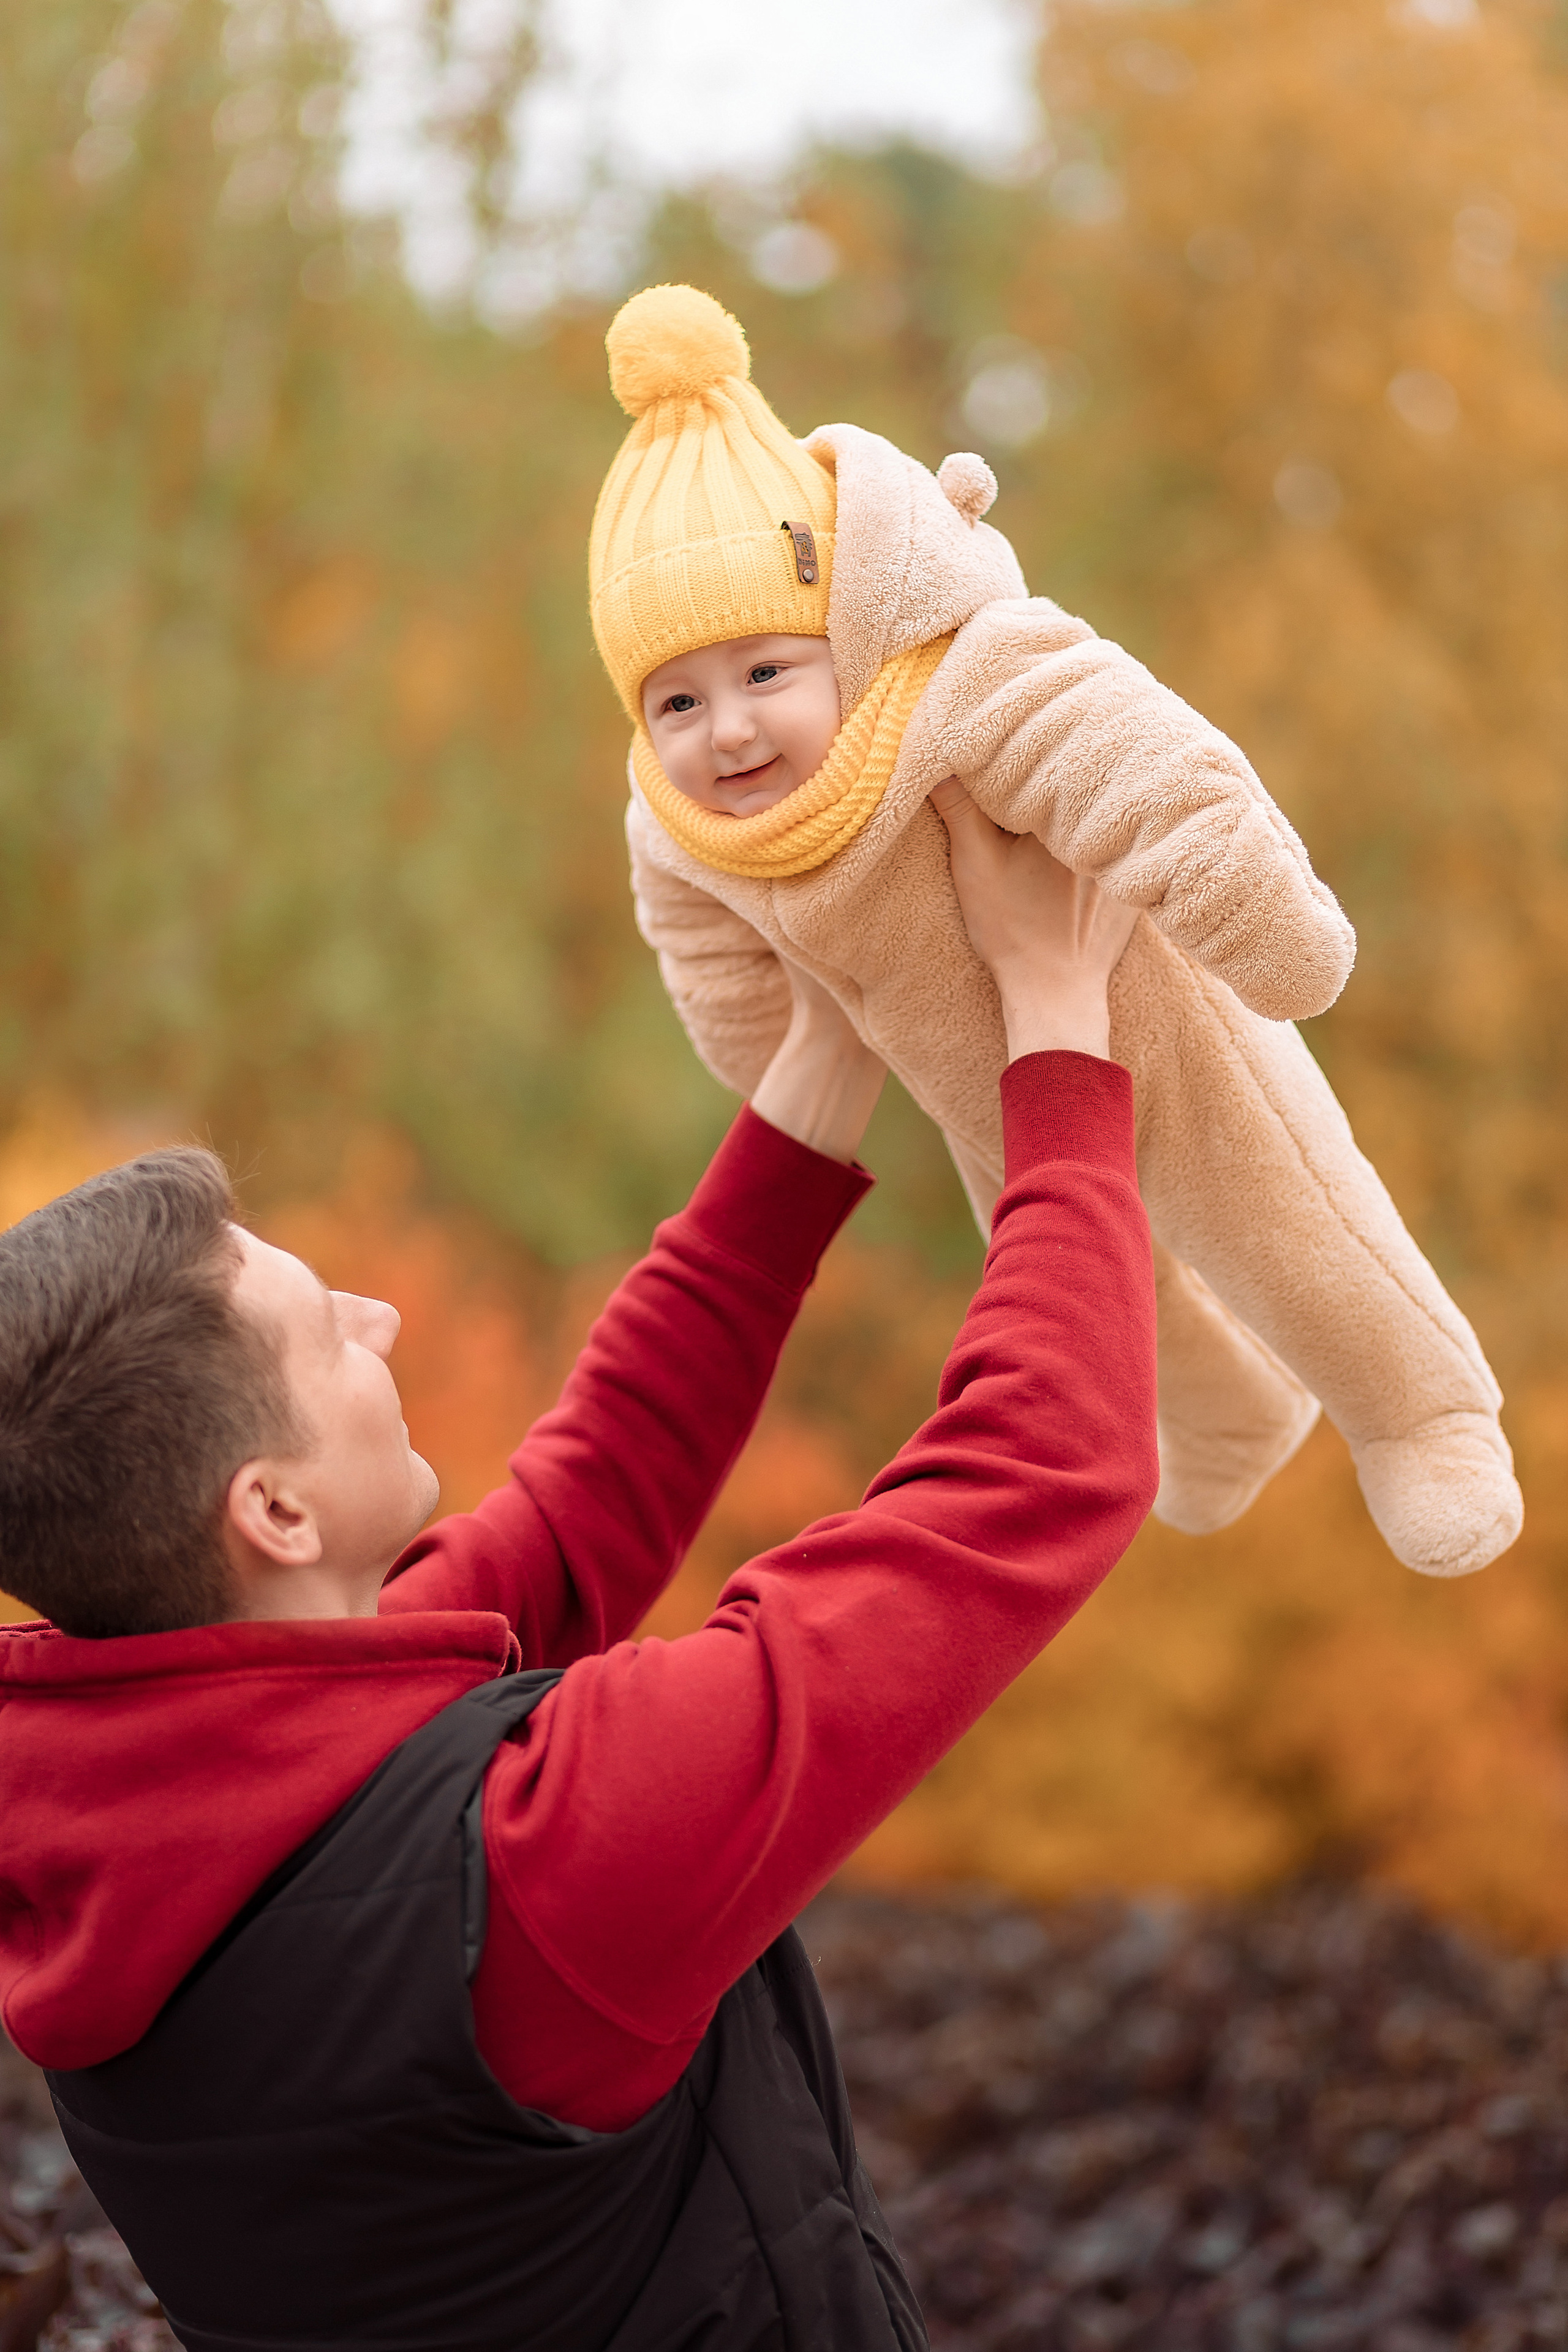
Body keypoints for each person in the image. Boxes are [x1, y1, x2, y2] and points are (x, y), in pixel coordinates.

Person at [0, 790, 1156, 2352]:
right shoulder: (538, 1878)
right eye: (323, 1329)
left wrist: (827, 1051)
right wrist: (1060, 1025)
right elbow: (1042, 1469)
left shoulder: (126, 1832)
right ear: (270, 1512)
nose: (380, 1319)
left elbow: (589, 1496)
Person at [602, 282, 1520, 1582]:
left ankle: (1422, 1416)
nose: (730, 730)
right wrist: (770, 1063)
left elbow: (1141, 763)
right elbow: (701, 951)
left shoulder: (960, 682)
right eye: (677, 704)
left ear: (845, 635)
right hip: (986, 1093)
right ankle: (1226, 1421)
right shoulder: (680, 825)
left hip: (1161, 1031)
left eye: (764, 672)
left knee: (1291, 1226)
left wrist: (1271, 931)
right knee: (1081, 1287)